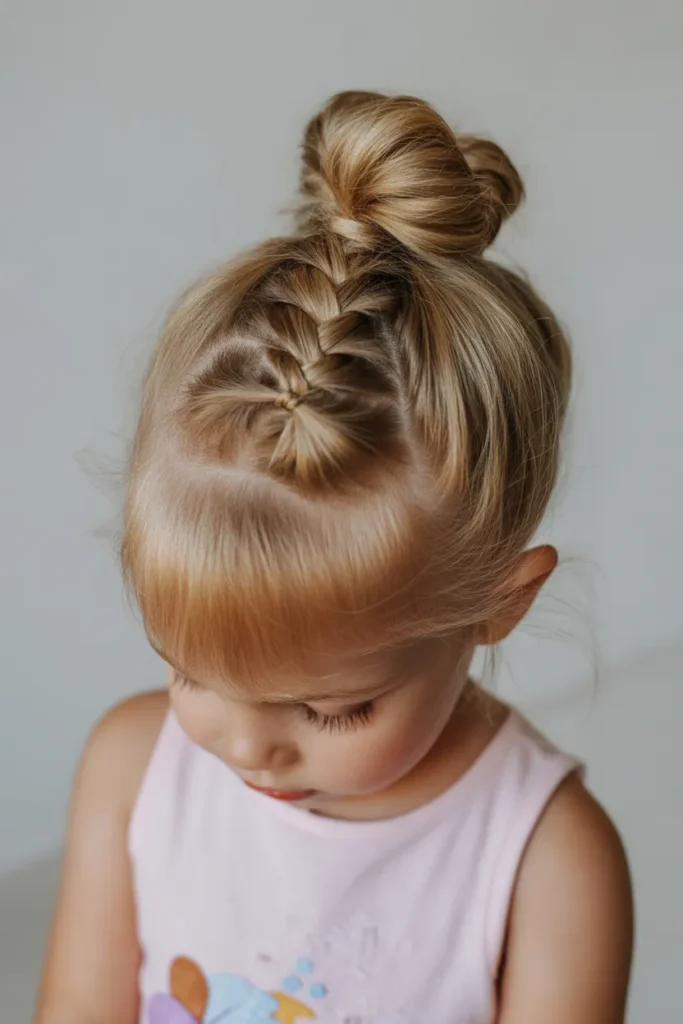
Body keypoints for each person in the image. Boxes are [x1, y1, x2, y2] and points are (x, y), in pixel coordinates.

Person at [36, 91, 633, 1024]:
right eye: (193, 671)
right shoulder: (131, 770)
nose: (247, 744)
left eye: (332, 707)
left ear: (497, 602)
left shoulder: (545, 861)